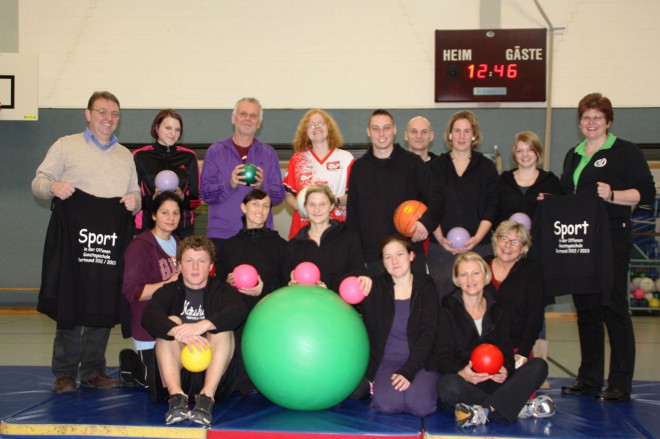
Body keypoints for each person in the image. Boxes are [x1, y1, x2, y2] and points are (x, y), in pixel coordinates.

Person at [31, 90, 141, 394]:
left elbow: (136, 195)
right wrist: (53, 185)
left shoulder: (125, 156)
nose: (108, 118)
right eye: (102, 112)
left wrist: (135, 201)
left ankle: (93, 370)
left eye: (114, 114)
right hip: (74, 241)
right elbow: (38, 183)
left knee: (103, 302)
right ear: (88, 114)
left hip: (109, 240)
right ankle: (64, 372)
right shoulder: (65, 146)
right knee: (71, 300)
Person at [558, 93, 655, 402]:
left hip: (613, 235)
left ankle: (620, 382)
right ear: (579, 122)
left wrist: (613, 194)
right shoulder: (573, 154)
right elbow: (569, 197)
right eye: (586, 117)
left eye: (597, 117)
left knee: (612, 307)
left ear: (608, 121)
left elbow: (647, 194)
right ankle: (588, 379)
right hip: (581, 239)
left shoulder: (625, 151)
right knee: (585, 309)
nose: (591, 122)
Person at [435, 252, 553, 427]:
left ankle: (484, 410)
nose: (470, 279)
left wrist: (505, 369)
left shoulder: (498, 309)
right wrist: (462, 372)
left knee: (539, 366)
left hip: (495, 382)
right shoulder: (446, 311)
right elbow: (441, 357)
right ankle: (515, 408)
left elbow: (506, 352)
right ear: (457, 280)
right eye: (464, 274)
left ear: (485, 276)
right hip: (467, 384)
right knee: (447, 385)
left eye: (475, 273)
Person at [141, 235, 247, 426]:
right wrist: (178, 331)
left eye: (202, 261)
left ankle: (206, 399)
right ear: (179, 265)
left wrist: (202, 325)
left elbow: (238, 311)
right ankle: (176, 399)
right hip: (178, 375)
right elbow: (149, 316)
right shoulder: (169, 291)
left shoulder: (222, 290)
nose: (195, 267)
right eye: (189, 261)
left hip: (214, 378)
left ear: (211, 265)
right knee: (170, 323)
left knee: (221, 328)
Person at [346, 109, 443, 276]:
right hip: (373, 257)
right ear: (368, 132)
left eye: (386, 128)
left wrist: (426, 223)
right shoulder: (359, 168)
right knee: (378, 303)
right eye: (375, 128)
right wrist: (356, 257)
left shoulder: (413, 163)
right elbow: (353, 216)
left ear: (395, 130)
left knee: (414, 302)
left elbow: (437, 196)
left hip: (409, 252)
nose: (381, 133)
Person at [354, 235, 439, 416]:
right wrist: (358, 283)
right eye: (388, 257)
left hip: (421, 360)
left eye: (399, 254)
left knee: (420, 407)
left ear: (411, 256)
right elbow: (348, 300)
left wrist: (408, 371)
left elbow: (429, 333)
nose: (394, 261)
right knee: (388, 406)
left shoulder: (426, 285)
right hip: (388, 360)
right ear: (383, 262)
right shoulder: (374, 288)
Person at [217, 189, 288, 395]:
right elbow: (217, 283)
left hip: (268, 317)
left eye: (265, 206)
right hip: (237, 318)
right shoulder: (229, 246)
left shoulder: (282, 246)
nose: (261, 210)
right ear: (243, 208)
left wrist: (262, 290)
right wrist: (227, 281)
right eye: (255, 204)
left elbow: (286, 285)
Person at [200, 97, 285, 260]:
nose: (248, 119)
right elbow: (205, 194)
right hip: (222, 235)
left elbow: (279, 197)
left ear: (259, 123)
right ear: (234, 118)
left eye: (253, 116)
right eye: (243, 114)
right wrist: (229, 184)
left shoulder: (268, 153)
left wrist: (261, 187)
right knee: (222, 285)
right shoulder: (215, 151)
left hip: (260, 236)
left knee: (261, 285)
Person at [428, 110, 499, 297]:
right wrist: (441, 239)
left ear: (474, 135)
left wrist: (476, 238)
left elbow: (491, 208)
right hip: (442, 249)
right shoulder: (435, 167)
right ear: (450, 135)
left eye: (467, 131)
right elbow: (429, 207)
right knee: (444, 301)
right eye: (457, 131)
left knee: (479, 300)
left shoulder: (486, 167)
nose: (461, 136)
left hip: (479, 247)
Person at [119, 192, 183, 393]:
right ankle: (130, 361)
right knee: (156, 385)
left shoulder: (180, 244)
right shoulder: (139, 246)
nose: (171, 218)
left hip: (176, 324)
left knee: (182, 379)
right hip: (148, 326)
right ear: (154, 215)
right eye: (165, 212)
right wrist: (169, 283)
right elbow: (132, 292)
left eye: (175, 213)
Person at [283, 109, 354, 239]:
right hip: (303, 229)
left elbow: (354, 196)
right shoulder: (297, 159)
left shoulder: (345, 158)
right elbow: (289, 195)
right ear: (305, 131)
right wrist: (301, 209)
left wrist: (334, 201)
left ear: (329, 127)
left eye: (321, 123)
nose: (316, 127)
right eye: (311, 124)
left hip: (336, 230)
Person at [286, 184, 370, 294]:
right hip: (306, 308)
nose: (317, 209)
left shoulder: (349, 238)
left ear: (331, 206)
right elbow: (286, 282)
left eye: (322, 204)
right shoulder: (294, 245)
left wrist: (328, 291)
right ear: (305, 207)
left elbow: (357, 277)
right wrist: (290, 284)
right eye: (312, 204)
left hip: (339, 307)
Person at [132, 109, 201, 238]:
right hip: (148, 228)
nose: (173, 133)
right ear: (157, 128)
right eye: (168, 128)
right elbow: (132, 198)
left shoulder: (189, 157)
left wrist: (183, 200)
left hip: (182, 231)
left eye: (177, 129)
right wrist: (152, 200)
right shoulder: (140, 156)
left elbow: (196, 202)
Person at [486, 221, 543, 361]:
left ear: (523, 248)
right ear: (495, 240)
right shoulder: (482, 265)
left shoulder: (531, 270)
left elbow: (534, 317)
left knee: (538, 369)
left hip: (516, 349)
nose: (508, 245)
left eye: (516, 242)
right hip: (483, 348)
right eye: (504, 239)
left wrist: (522, 354)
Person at [496, 131, 561, 227]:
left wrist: (552, 201)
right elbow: (493, 213)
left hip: (541, 240)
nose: (525, 154)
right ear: (514, 155)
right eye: (519, 151)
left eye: (530, 150)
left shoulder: (551, 181)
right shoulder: (503, 180)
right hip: (510, 239)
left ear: (538, 153)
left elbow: (560, 213)